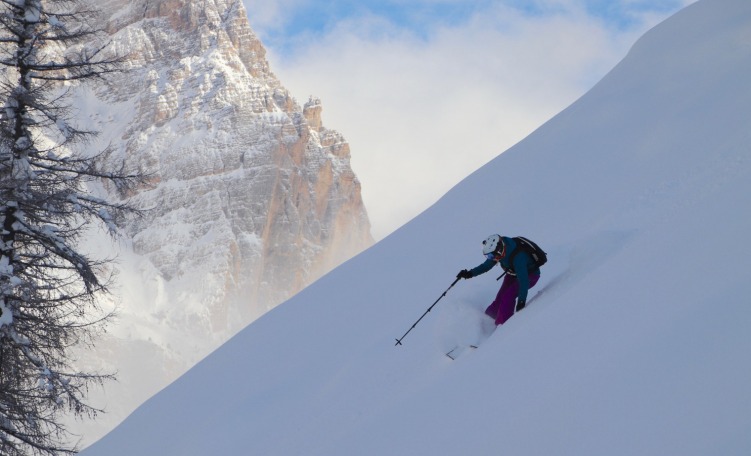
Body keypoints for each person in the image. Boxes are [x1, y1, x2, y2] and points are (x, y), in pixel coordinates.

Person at [456, 234, 541, 326]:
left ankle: (502, 328)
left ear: (499, 249)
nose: (491, 258)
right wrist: (469, 273)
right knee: (500, 298)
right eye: (488, 256)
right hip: (512, 274)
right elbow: (485, 266)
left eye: (491, 256)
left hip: (530, 276)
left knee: (508, 296)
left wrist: (521, 301)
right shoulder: (497, 252)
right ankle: (485, 322)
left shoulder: (518, 257)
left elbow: (523, 281)